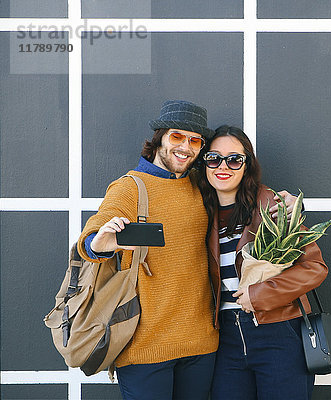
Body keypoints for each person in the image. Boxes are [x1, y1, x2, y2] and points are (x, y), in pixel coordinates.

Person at [77, 100, 298, 400]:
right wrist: (98, 243)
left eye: (195, 140)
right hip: (145, 348)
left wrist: (282, 205)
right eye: (177, 137)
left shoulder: (202, 184)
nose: (186, 147)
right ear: (159, 139)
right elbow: (91, 237)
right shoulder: (131, 188)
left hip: (202, 348)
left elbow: (240, 194)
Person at [197, 125, 328, 400]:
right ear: (204, 163)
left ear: (247, 165)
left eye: (234, 159)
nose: (223, 166)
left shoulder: (272, 204)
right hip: (224, 340)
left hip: (278, 332)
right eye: (214, 158)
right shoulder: (197, 210)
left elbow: (314, 268)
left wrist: (259, 295)